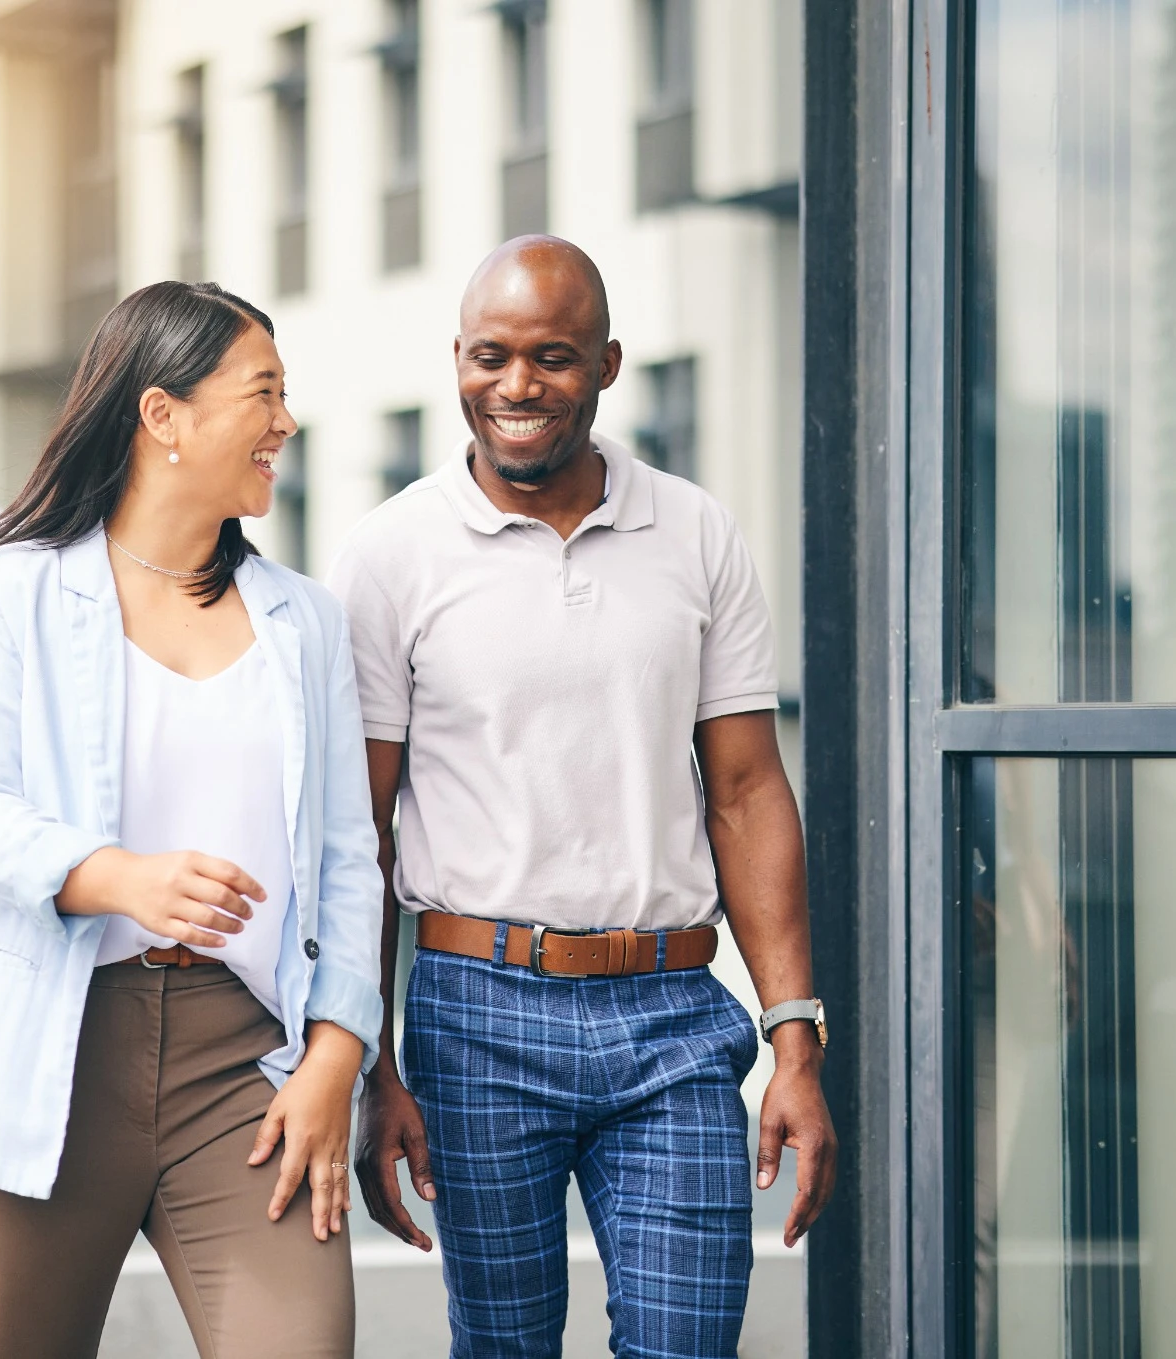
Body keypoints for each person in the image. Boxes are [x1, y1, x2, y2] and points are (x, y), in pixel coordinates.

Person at [333, 236, 838, 1358]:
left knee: (684, 1345)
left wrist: (792, 1041)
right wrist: (373, 1065)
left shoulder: (695, 531)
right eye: (489, 356)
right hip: (474, 1016)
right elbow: (357, 833)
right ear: (456, 360)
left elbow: (748, 794)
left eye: (551, 358)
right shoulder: (387, 556)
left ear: (606, 365)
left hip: (671, 1018)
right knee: (502, 1346)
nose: (515, 388)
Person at [0, 280, 382, 1359]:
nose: (284, 424)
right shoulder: (1, 592)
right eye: (262, 393)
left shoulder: (303, 621)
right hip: (51, 1055)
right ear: (162, 414)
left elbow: (351, 863)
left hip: (245, 1070)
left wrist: (335, 1058)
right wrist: (119, 877)